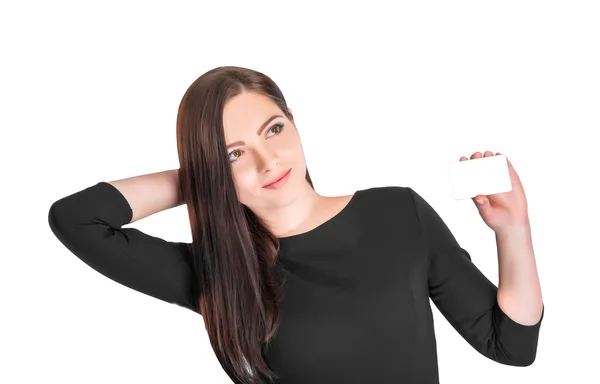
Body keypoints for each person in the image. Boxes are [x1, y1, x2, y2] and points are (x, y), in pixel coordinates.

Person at [48, 66, 544, 384]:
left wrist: (513, 230)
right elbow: (76, 219)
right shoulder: (220, 272)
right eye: (235, 153)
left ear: (294, 123)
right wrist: (203, 175)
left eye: (274, 130)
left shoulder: (398, 214)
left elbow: (511, 346)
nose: (268, 161)